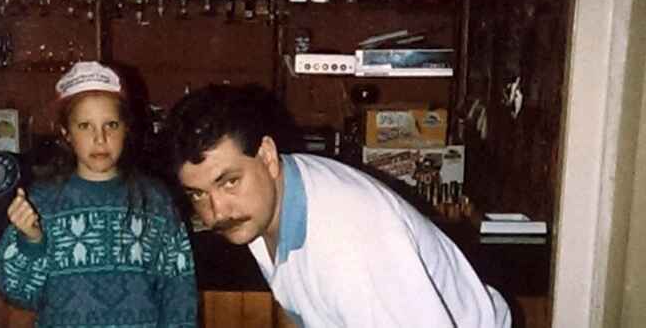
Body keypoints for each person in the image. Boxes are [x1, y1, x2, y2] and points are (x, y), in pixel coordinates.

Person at [166, 84, 511, 328]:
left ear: (267, 155)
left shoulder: (349, 239)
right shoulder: (265, 203)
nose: (217, 212)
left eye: (229, 182)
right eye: (197, 194)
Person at [0, 61, 198, 327]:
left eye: (111, 124)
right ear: (66, 132)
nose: (100, 138)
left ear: (126, 128)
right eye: (85, 126)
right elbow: (16, 293)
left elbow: (180, 294)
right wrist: (31, 242)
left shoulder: (156, 201)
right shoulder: (41, 202)